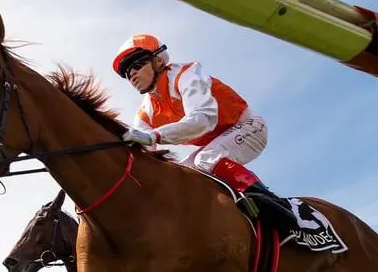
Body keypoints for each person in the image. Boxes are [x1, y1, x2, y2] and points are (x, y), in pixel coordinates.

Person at [112, 34, 296, 227]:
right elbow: (143, 156)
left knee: (205, 159)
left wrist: (154, 136)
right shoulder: (145, 113)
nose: (131, 74)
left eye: (136, 65)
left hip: (248, 125)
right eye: (126, 72)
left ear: (158, 60)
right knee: (178, 177)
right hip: (216, 143)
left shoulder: (187, 74)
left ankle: (276, 207)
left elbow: (203, 119)